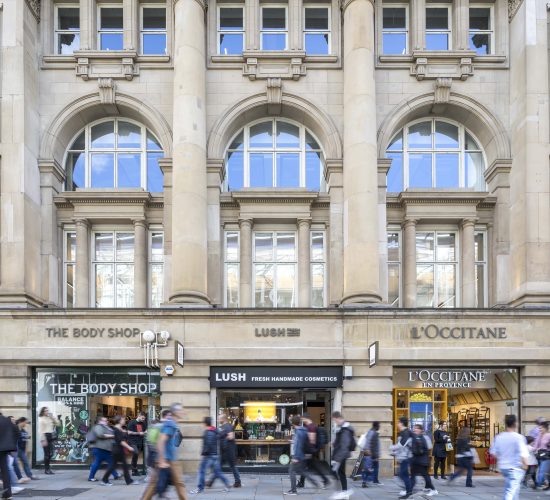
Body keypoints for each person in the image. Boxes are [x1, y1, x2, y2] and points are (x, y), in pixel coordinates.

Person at [141, 403, 188, 500]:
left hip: (168, 458)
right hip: (168, 460)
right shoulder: (170, 424)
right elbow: (161, 441)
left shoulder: (171, 423)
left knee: (155, 485)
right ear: (175, 412)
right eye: (181, 410)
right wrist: (162, 460)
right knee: (178, 484)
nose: (183, 412)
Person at [491, 414, 528, 500]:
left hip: (503, 467)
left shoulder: (499, 437)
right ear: (515, 423)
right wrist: (525, 465)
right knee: (510, 491)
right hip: (515, 468)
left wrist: (502, 458)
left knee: (514, 489)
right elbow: (524, 454)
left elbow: (493, 452)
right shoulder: (518, 437)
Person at [190, 417, 230, 494]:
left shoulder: (208, 432)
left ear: (205, 423)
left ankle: (199, 488)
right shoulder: (215, 430)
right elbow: (222, 435)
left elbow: (208, 444)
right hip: (215, 455)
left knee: (201, 471)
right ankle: (227, 484)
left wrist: (204, 454)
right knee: (218, 472)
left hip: (209, 456)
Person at [284, 415, 320, 496]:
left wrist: (295, 457)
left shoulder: (298, 431)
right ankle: (316, 484)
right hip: (303, 455)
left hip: (298, 456)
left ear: (292, 423)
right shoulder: (304, 430)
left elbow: (298, 445)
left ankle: (293, 491)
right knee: (302, 471)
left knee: (291, 471)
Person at [102, 416, 140, 486]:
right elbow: (121, 441)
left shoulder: (119, 429)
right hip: (117, 450)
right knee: (115, 466)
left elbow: (122, 436)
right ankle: (105, 480)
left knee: (122, 466)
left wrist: (125, 432)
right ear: (119, 421)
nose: (124, 420)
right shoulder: (117, 429)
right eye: (123, 419)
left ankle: (128, 480)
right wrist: (129, 447)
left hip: (119, 450)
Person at [207, 414, 241, 488]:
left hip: (229, 450)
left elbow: (231, 436)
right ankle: (210, 482)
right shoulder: (221, 427)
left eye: (219, 419)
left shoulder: (228, 426)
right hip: (224, 451)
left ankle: (238, 482)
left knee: (232, 466)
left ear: (223, 419)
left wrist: (224, 440)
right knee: (218, 467)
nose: (218, 420)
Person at [297, 413, 329, 489]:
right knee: (311, 467)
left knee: (303, 468)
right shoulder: (310, 426)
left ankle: (322, 481)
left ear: (306, 418)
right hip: (310, 451)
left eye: (302, 419)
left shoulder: (311, 427)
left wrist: (308, 452)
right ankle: (324, 480)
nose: (302, 420)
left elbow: (312, 440)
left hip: (309, 452)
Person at [330, 411, 355, 500]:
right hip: (340, 454)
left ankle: (340, 492)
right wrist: (334, 444)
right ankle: (344, 492)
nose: (334, 422)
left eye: (334, 420)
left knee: (333, 472)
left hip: (341, 455)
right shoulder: (342, 427)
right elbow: (341, 442)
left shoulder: (345, 429)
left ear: (337, 418)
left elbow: (345, 444)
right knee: (341, 473)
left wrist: (338, 458)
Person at [87, 415, 120, 482]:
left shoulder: (104, 427)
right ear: (100, 421)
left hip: (104, 448)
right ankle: (91, 477)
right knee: (97, 462)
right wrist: (113, 436)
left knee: (110, 461)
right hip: (99, 448)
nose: (106, 422)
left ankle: (116, 475)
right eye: (104, 420)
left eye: (106, 420)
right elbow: (100, 435)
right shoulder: (98, 427)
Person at [410, 424, 438, 497]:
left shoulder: (421, 438)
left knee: (425, 476)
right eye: (414, 428)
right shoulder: (417, 437)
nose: (414, 430)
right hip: (417, 461)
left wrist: (414, 451)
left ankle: (433, 489)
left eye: (416, 428)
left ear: (420, 430)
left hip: (421, 461)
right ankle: (409, 491)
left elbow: (422, 450)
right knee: (413, 476)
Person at [0, 411, 21, 499]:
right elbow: (17, 432)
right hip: (4, 449)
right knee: (5, 470)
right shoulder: (7, 420)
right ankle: (7, 493)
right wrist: (11, 443)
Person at [391, 417, 413, 499]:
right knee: (403, 474)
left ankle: (409, 491)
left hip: (406, 458)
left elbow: (401, 445)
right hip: (403, 457)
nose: (397, 424)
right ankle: (409, 490)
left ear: (402, 423)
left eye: (398, 422)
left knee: (403, 475)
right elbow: (402, 446)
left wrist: (391, 447)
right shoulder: (404, 432)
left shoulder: (406, 432)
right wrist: (395, 453)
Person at [38, 407, 59, 475]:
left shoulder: (50, 418)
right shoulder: (41, 419)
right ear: (43, 412)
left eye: (47, 410)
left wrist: (53, 418)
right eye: (45, 411)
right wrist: (43, 439)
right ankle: (47, 469)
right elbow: (40, 430)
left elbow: (58, 424)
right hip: (45, 436)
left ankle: (48, 467)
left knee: (51, 453)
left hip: (51, 435)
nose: (47, 412)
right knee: (47, 454)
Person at [360, 421, 381, 488]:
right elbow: (372, 444)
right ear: (376, 426)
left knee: (368, 468)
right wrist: (375, 455)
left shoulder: (371, 432)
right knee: (369, 469)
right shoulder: (373, 433)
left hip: (370, 453)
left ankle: (369, 481)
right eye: (379, 425)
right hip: (371, 454)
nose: (379, 427)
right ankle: (367, 481)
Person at [127, 412, 148, 477]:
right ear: (139, 416)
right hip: (132, 441)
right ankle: (134, 468)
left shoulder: (143, 423)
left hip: (140, 442)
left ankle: (134, 470)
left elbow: (145, 430)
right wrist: (139, 433)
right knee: (135, 453)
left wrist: (145, 432)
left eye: (144, 418)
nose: (143, 420)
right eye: (142, 418)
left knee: (136, 455)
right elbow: (129, 432)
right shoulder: (132, 422)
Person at [534, 420, 550, 489]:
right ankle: (545, 484)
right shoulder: (539, 436)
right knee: (542, 470)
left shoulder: (549, 435)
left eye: (541, 428)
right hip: (539, 455)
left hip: (547, 455)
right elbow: (535, 446)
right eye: (539, 428)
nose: (539, 429)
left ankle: (538, 483)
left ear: (545, 428)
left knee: (542, 470)